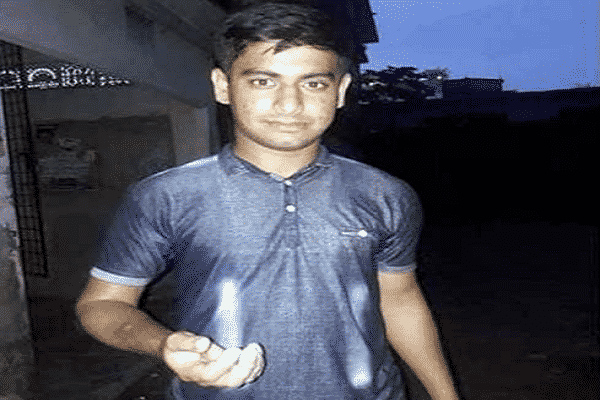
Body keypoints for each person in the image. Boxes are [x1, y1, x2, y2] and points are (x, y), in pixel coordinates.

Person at [76, 2, 459, 399]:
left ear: (341, 91)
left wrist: (445, 395)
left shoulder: (385, 195)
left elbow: (399, 298)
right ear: (223, 86)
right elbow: (102, 305)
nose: (289, 105)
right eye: (263, 81)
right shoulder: (164, 196)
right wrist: (164, 344)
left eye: (314, 84)